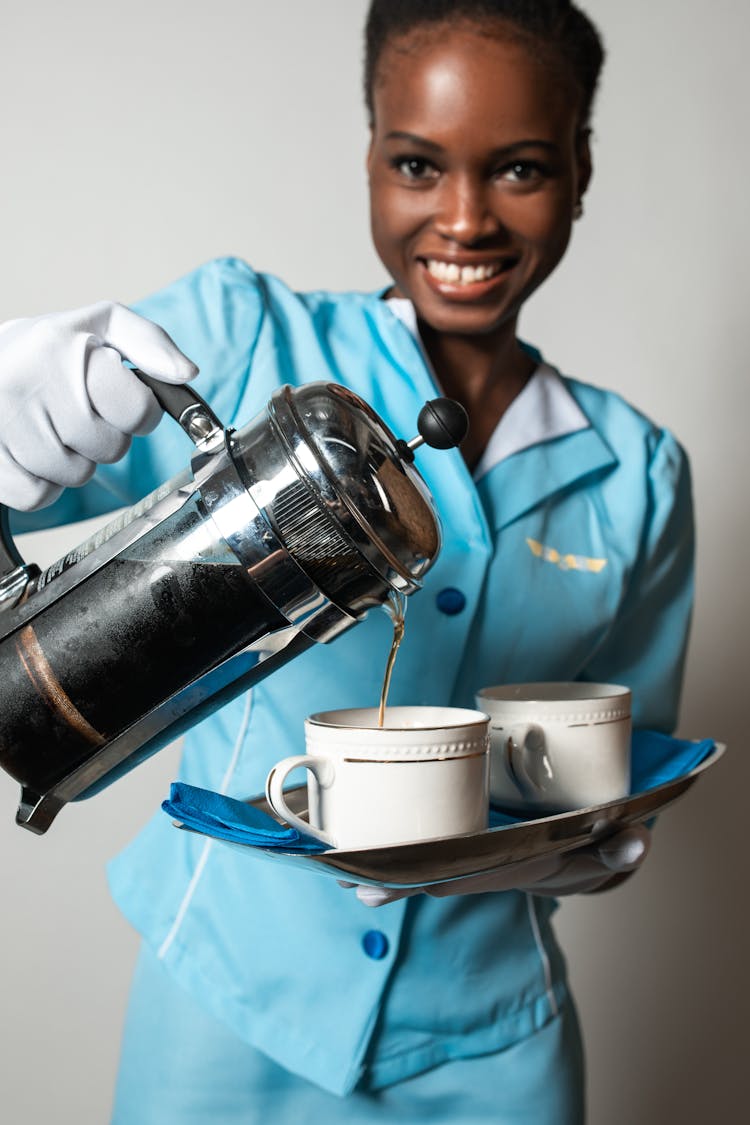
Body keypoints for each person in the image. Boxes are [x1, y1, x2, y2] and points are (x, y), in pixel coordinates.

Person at [0, 2, 694, 1122]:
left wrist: (596, 838)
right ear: (370, 150)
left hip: (488, 1048)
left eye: (520, 168)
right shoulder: (243, 342)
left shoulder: (639, 473)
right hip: (222, 1012)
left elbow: (626, 766)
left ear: (580, 169)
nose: (464, 219)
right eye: (417, 164)